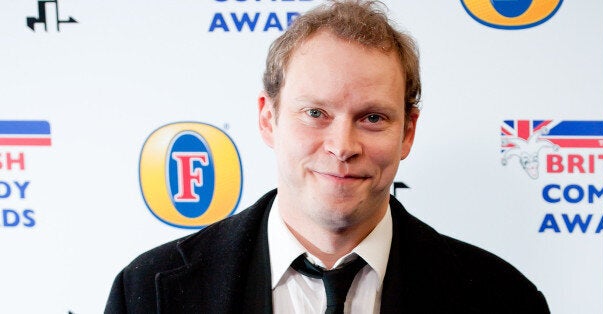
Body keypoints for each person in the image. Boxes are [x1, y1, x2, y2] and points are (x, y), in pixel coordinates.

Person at [105, 1, 550, 313]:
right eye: (315, 113)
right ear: (268, 119)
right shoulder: (149, 292)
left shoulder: (503, 299)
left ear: (407, 132)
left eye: (372, 117)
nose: (342, 146)